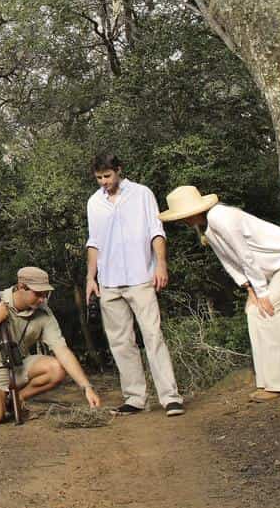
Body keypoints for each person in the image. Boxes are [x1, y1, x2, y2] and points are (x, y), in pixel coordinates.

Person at [158, 184, 280, 401]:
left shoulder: (221, 217)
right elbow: (229, 261)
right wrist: (249, 288)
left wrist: (262, 292)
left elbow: (245, 256)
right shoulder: (206, 227)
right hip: (274, 269)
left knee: (267, 313)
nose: (182, 221)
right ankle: (268, 381)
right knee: (253, 311)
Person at [84, 153, 184, 417]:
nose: (104, 182)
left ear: (119, 170)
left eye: (107, 176)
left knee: (153, 336)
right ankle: (135, 398)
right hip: (109, 281)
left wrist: (160, 265)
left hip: (141, 276)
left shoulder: (142, 194)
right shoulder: (94, 203)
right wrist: (90, 278)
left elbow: (156, 231)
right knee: (120, 342)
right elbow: (93, 242)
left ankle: (170, 397)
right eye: (99, 178)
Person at [0, 265, 101, 425]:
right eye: (38, 294)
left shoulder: (44, 312)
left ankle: (15, 398)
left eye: (45, 294)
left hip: (19, 365)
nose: (42, 299)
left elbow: (61, 350)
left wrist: (86, 387)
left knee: (56, 369)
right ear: (21, 286)